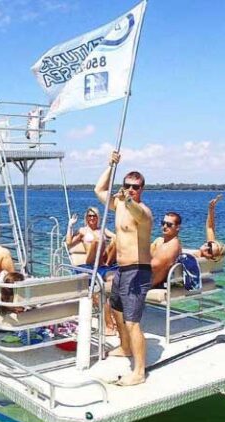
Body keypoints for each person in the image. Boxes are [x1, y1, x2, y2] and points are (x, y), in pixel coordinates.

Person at [94, 150, 153, 386]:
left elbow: (138, 212)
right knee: (116, 310)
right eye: (127, 185)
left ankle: (139, 372)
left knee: (132, 321)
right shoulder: (118, 205)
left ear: (142, 190)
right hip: (121, 269)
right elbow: (98, 190)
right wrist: (111, 165)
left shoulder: (144, 212)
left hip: (137, 271)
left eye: (136, 187)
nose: (131, 189)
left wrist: (128, 200)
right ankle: (126, 347)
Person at [150, 211, 183, 288]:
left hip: (153, 284)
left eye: (169, 224)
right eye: (163, 223)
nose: (164, 226)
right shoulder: (160, 241)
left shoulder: (171, 246)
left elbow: (155, 268)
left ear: (178, 227)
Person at [195, 194, 225, 261]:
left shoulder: (197, 262)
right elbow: (210, 227)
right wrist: (211, 208)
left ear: (213, 258)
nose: (207, 247)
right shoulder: (201, 253)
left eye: (210, 251)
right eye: (209, 245)